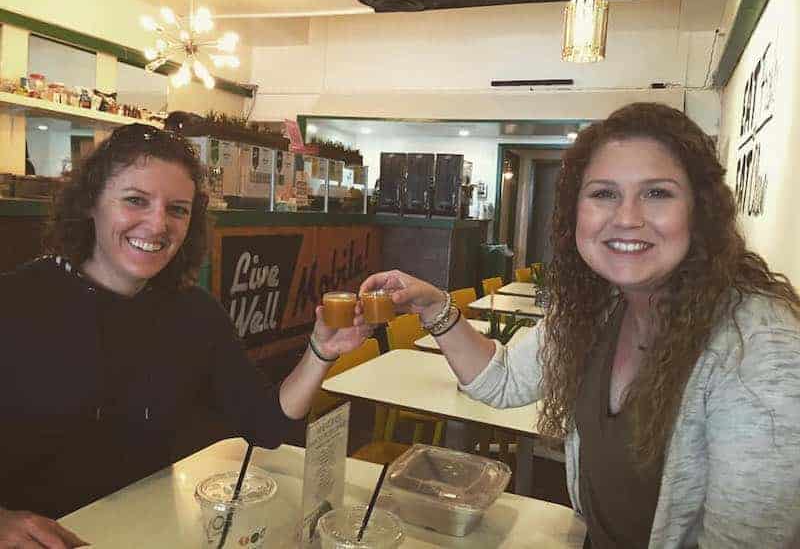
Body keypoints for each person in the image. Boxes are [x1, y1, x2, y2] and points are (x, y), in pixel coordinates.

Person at [360, 103, 800, 548]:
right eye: (604, 193)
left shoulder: (758, 350)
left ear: (701, 209)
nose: (627, 217)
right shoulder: (603, 305)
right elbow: (504, 380)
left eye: (658, 193)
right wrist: (435, 305)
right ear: (576, 213)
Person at [0, 124, 370, 548]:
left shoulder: (193, 312)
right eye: (136, 200)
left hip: (148, 533)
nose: (158, 224)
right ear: (91, 203)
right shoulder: (14, 303)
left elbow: (266, 424)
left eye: (177, 209)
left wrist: (320, 351)